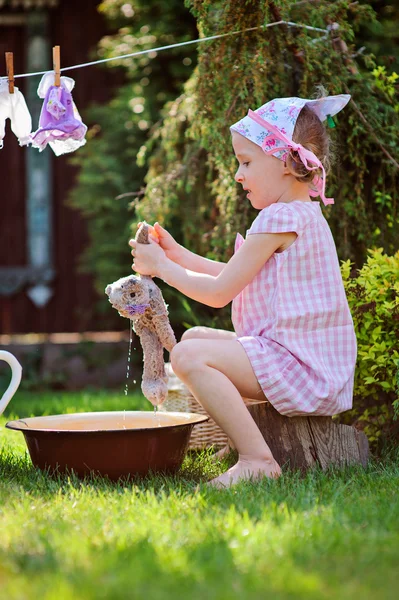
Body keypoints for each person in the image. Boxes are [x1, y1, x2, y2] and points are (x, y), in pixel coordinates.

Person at [129, 93, 357, 488]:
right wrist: (177, 256)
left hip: (306, 371)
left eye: (247, 162)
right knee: (197, 338)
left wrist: (162, 268)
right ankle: (248, 439)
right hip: (306, 365)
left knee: (188, 354)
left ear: (286, 163)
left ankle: (257, 459)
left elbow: (220, 292)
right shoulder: (300, 213)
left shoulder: (279, 218)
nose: (238, 174)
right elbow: (237, 274)